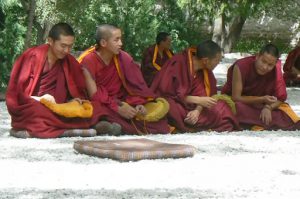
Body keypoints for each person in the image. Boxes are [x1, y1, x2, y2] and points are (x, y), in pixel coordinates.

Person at [6, 22, 107, 138]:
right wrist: (40, 99)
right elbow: (17, 96)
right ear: (50, 41)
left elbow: (77, 89)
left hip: (59, 107)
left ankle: (47, 130)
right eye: (63, 46)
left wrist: (72, 100)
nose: (67, 51)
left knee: (91, 107)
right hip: (34, 106)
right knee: (37, 111)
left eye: (70, 46)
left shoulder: (69, 61)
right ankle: (66, 131)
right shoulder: (32, 57)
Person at [78, 24, 170, 135]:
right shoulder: (89, 60)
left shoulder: (124, 58)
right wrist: (118, 107)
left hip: (122, 102)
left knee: (158, 124)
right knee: (93, 109)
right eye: (116, 40)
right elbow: (94, 95)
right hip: (102, 103)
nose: (121, 43)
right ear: (103, 43)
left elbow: (135, 87)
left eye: (120, 39)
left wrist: (138, 105)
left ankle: (107, 125)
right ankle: (104, 124)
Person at [151, 40, 239, 133]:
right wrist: (198, 100)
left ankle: (193, 124)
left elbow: (206, 96)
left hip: (195, 108)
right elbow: (166, 94)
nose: (218, 63)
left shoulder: (205, 71)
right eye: (217, 60)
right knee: (169, 106)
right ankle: (190, 125)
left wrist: (197, 111)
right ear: (205, 60)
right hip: (177, 105)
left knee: (222, 106)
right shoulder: (178, 63)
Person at [222, 44, 300, 130]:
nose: (265, 67)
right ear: (257, 56)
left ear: (275, 63)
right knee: (235, 108)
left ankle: (253, 123)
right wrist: (262, 99)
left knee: (285, 112)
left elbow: (280, 99)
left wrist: (268, 108)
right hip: (242, 103)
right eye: (263, 61)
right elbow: (236, 97)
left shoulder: (275, 70)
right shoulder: (241, 66)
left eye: (270, 65)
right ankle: (262, 123)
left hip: (262, 105)